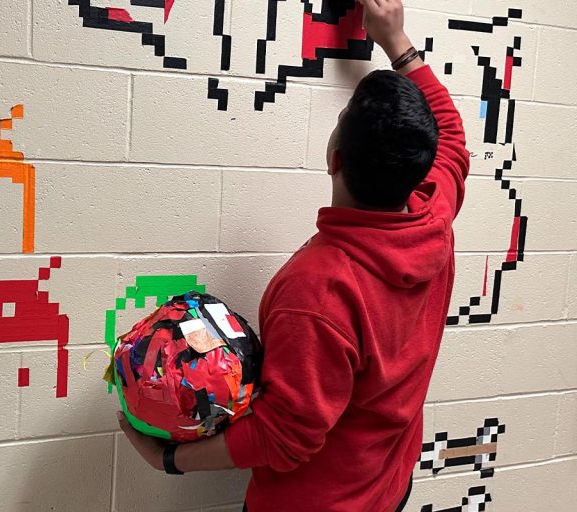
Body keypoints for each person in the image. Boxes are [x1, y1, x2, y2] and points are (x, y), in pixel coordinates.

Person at [117, 0, 469, 510]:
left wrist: (168, 461)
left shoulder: (317, 289)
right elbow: (453, 136)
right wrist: (397, 41)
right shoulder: (432, 212)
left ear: (334, 156)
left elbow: (286, 435)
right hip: (389, 486)